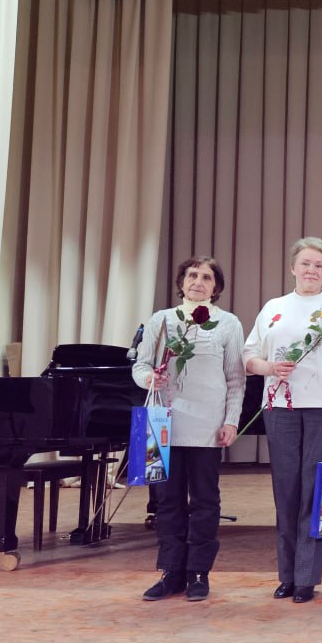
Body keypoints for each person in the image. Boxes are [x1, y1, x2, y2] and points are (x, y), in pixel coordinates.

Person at [243, 237, 322, 604]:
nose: (311, 270)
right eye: (306, 263)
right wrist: (269, 367)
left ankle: (307, 577)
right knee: (286, 492)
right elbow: (249, 357)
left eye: (319, 265)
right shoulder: (274, 308)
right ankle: (287, 576)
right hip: (280, 408)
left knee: (314, 493)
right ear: (293, 267)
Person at [132, 256, 245, 602]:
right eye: (192, 275)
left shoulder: (228, 324)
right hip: (164, 423)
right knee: (167, 502)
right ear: (181, 282)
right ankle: (171, 572)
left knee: (205, 501)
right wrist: (149, 378)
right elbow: (140, 366)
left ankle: (198, 572)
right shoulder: (162, 320)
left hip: (207, 425)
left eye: (207, 277)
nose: (198, 281)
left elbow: (236, 379)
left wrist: (231, 420)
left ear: (216, 287)